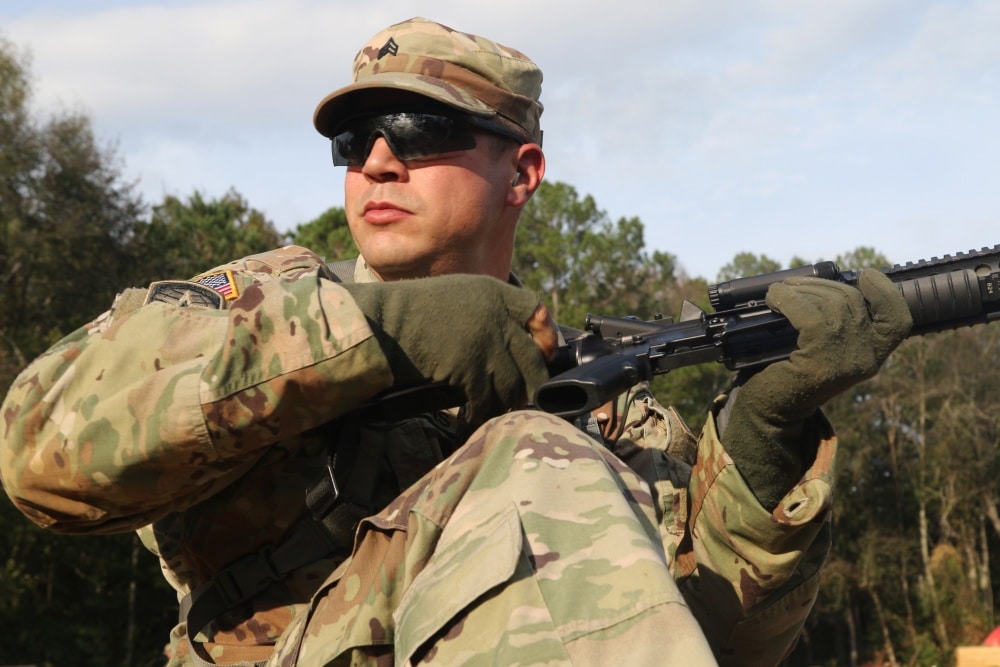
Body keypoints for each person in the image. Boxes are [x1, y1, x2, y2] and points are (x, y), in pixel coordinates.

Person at [0, 16, 913, 667]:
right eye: (354, 139)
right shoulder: (263, 306)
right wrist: (378, 333)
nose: (377, 161)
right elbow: (40, 453)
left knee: (545, 449)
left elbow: (725, 638)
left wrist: (763, 433)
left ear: (523, 172)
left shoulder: (608, 414)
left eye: (420, 128)